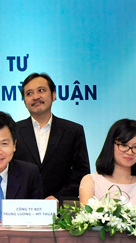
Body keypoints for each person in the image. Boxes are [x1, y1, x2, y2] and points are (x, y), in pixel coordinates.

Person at [13, 72, 89, 202]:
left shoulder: (73, 131)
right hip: (21, 207)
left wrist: (58, 198)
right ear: (24, 101)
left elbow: (81, 173)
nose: (35, 97)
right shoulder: (13, 131)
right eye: (29, 93)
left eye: (41, 90)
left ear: (54, 95)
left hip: (61, 209)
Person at [79, 119, 136, 216]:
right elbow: (87, 220)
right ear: (111, 145)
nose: (130, 152)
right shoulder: (91, 181)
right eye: (124, 145)